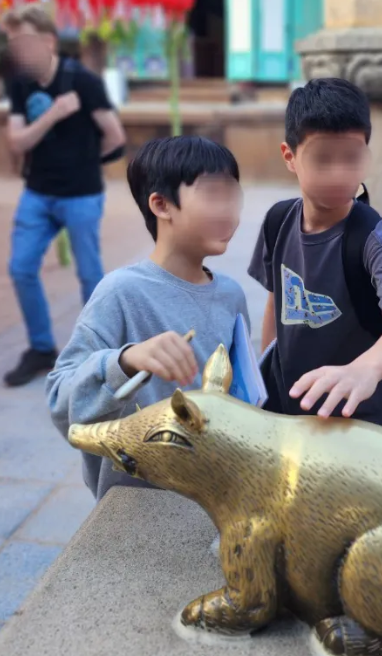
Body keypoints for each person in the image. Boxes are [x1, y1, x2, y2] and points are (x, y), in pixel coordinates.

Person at [47, 135, 249, 500]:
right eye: (213, 194)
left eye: (233, 195)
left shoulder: (231, 295)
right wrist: (123, 361)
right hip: (136, 502)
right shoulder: (121, 291)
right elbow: (62, 405)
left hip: (213, 498)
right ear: (161, 204)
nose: (229, 210)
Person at [248, 78, 382, 429]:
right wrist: (266, 385)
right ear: (290, 156)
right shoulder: (277, 220)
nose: (339, 173)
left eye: (352, 157)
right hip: (290, 409)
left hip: (359, 420)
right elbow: (276, 301)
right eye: (322, 159)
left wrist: (365, 369)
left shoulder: (374, 238)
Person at [3, 5, 126, 388]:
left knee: (90, 275)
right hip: (38, 193)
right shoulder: (20, 84)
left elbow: (115, 136)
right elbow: (16, 139)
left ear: (48, 41)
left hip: (81, 195)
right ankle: (41, 348)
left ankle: (99, 353)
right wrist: (54, 114)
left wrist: (88, 165)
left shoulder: (83, 81)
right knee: (21, 268)